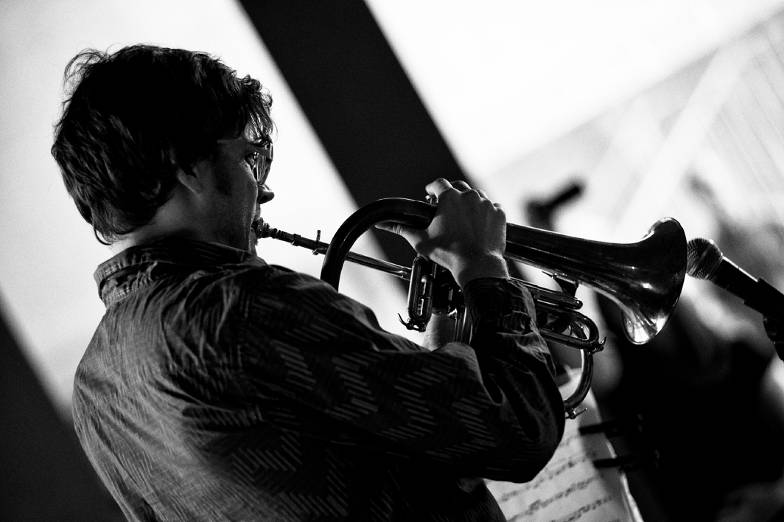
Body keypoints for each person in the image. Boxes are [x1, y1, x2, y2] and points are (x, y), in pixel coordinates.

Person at [51, 44, 565, 521]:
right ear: (187, 166)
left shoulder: (94, 391)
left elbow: (416, 448)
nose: (264, 191)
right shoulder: (242, 305)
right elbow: (518, 430)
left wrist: (446, 313)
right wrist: (481, 263)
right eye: (249, 159)